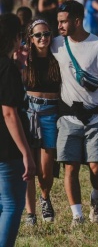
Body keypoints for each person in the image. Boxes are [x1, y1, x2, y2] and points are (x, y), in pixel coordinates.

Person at [51, 0, 98, 225]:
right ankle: (77, 216)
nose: (60, 26)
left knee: (97, 167)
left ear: (77, 21)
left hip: (96, 115)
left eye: (64, 22)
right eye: (58, 22)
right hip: (68, 115)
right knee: (70, 166)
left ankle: (97, 196)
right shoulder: (56, 43)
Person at [21, 19, 62, 225]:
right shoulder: (25, 59)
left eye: (46, 34)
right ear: (30, 38)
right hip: (29, 112)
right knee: (29, 167)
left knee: (46, 169)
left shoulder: (58, 57)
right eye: (38, 35)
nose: (43, 38)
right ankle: (31, 214)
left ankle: (45, 197)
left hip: (51, 113)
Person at [0, 14, 36, 244]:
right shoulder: (7, 69)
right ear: (14, 37)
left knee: (2, 203)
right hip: (7, 147)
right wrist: (26, 153)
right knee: (12, 204)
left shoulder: (10, 67)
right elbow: (9, 113)